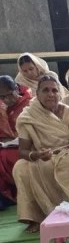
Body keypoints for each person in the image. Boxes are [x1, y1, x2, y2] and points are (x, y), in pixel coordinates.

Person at [13, 75, 69, 231]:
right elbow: (23, 150)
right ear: (37, 93)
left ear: (60, 94)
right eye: (45, 90)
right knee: (21, 167)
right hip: (42, 157)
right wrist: (36, 155)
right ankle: (39, 217)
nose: (50, 94)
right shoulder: (27, 116)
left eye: (54, 90)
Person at [0, 76, 33, 208]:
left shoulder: (29, 104)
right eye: (1, 97)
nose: (6, 99)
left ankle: (11, 195)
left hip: (28, 145)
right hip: (8, 145)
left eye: (8, 95)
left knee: (4, 157)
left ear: (16, 89)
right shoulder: (3, 108)